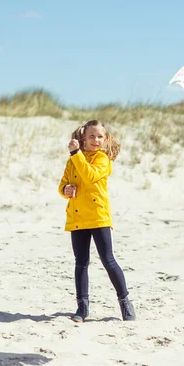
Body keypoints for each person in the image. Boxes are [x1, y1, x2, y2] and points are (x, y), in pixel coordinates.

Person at [58, 120, 136, 323]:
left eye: (100, 136)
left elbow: (89, 175)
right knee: (81, 263)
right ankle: (82, 307)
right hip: (77, 216)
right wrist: (65, 190)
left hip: (98, 216)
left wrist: (76, 155)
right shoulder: (72, 160)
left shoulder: (103, 159)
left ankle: (125, 302)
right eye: (91, 136)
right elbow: (64, 183)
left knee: (108, 260)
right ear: (83, 137)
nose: (96, 140)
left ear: (105, 139)